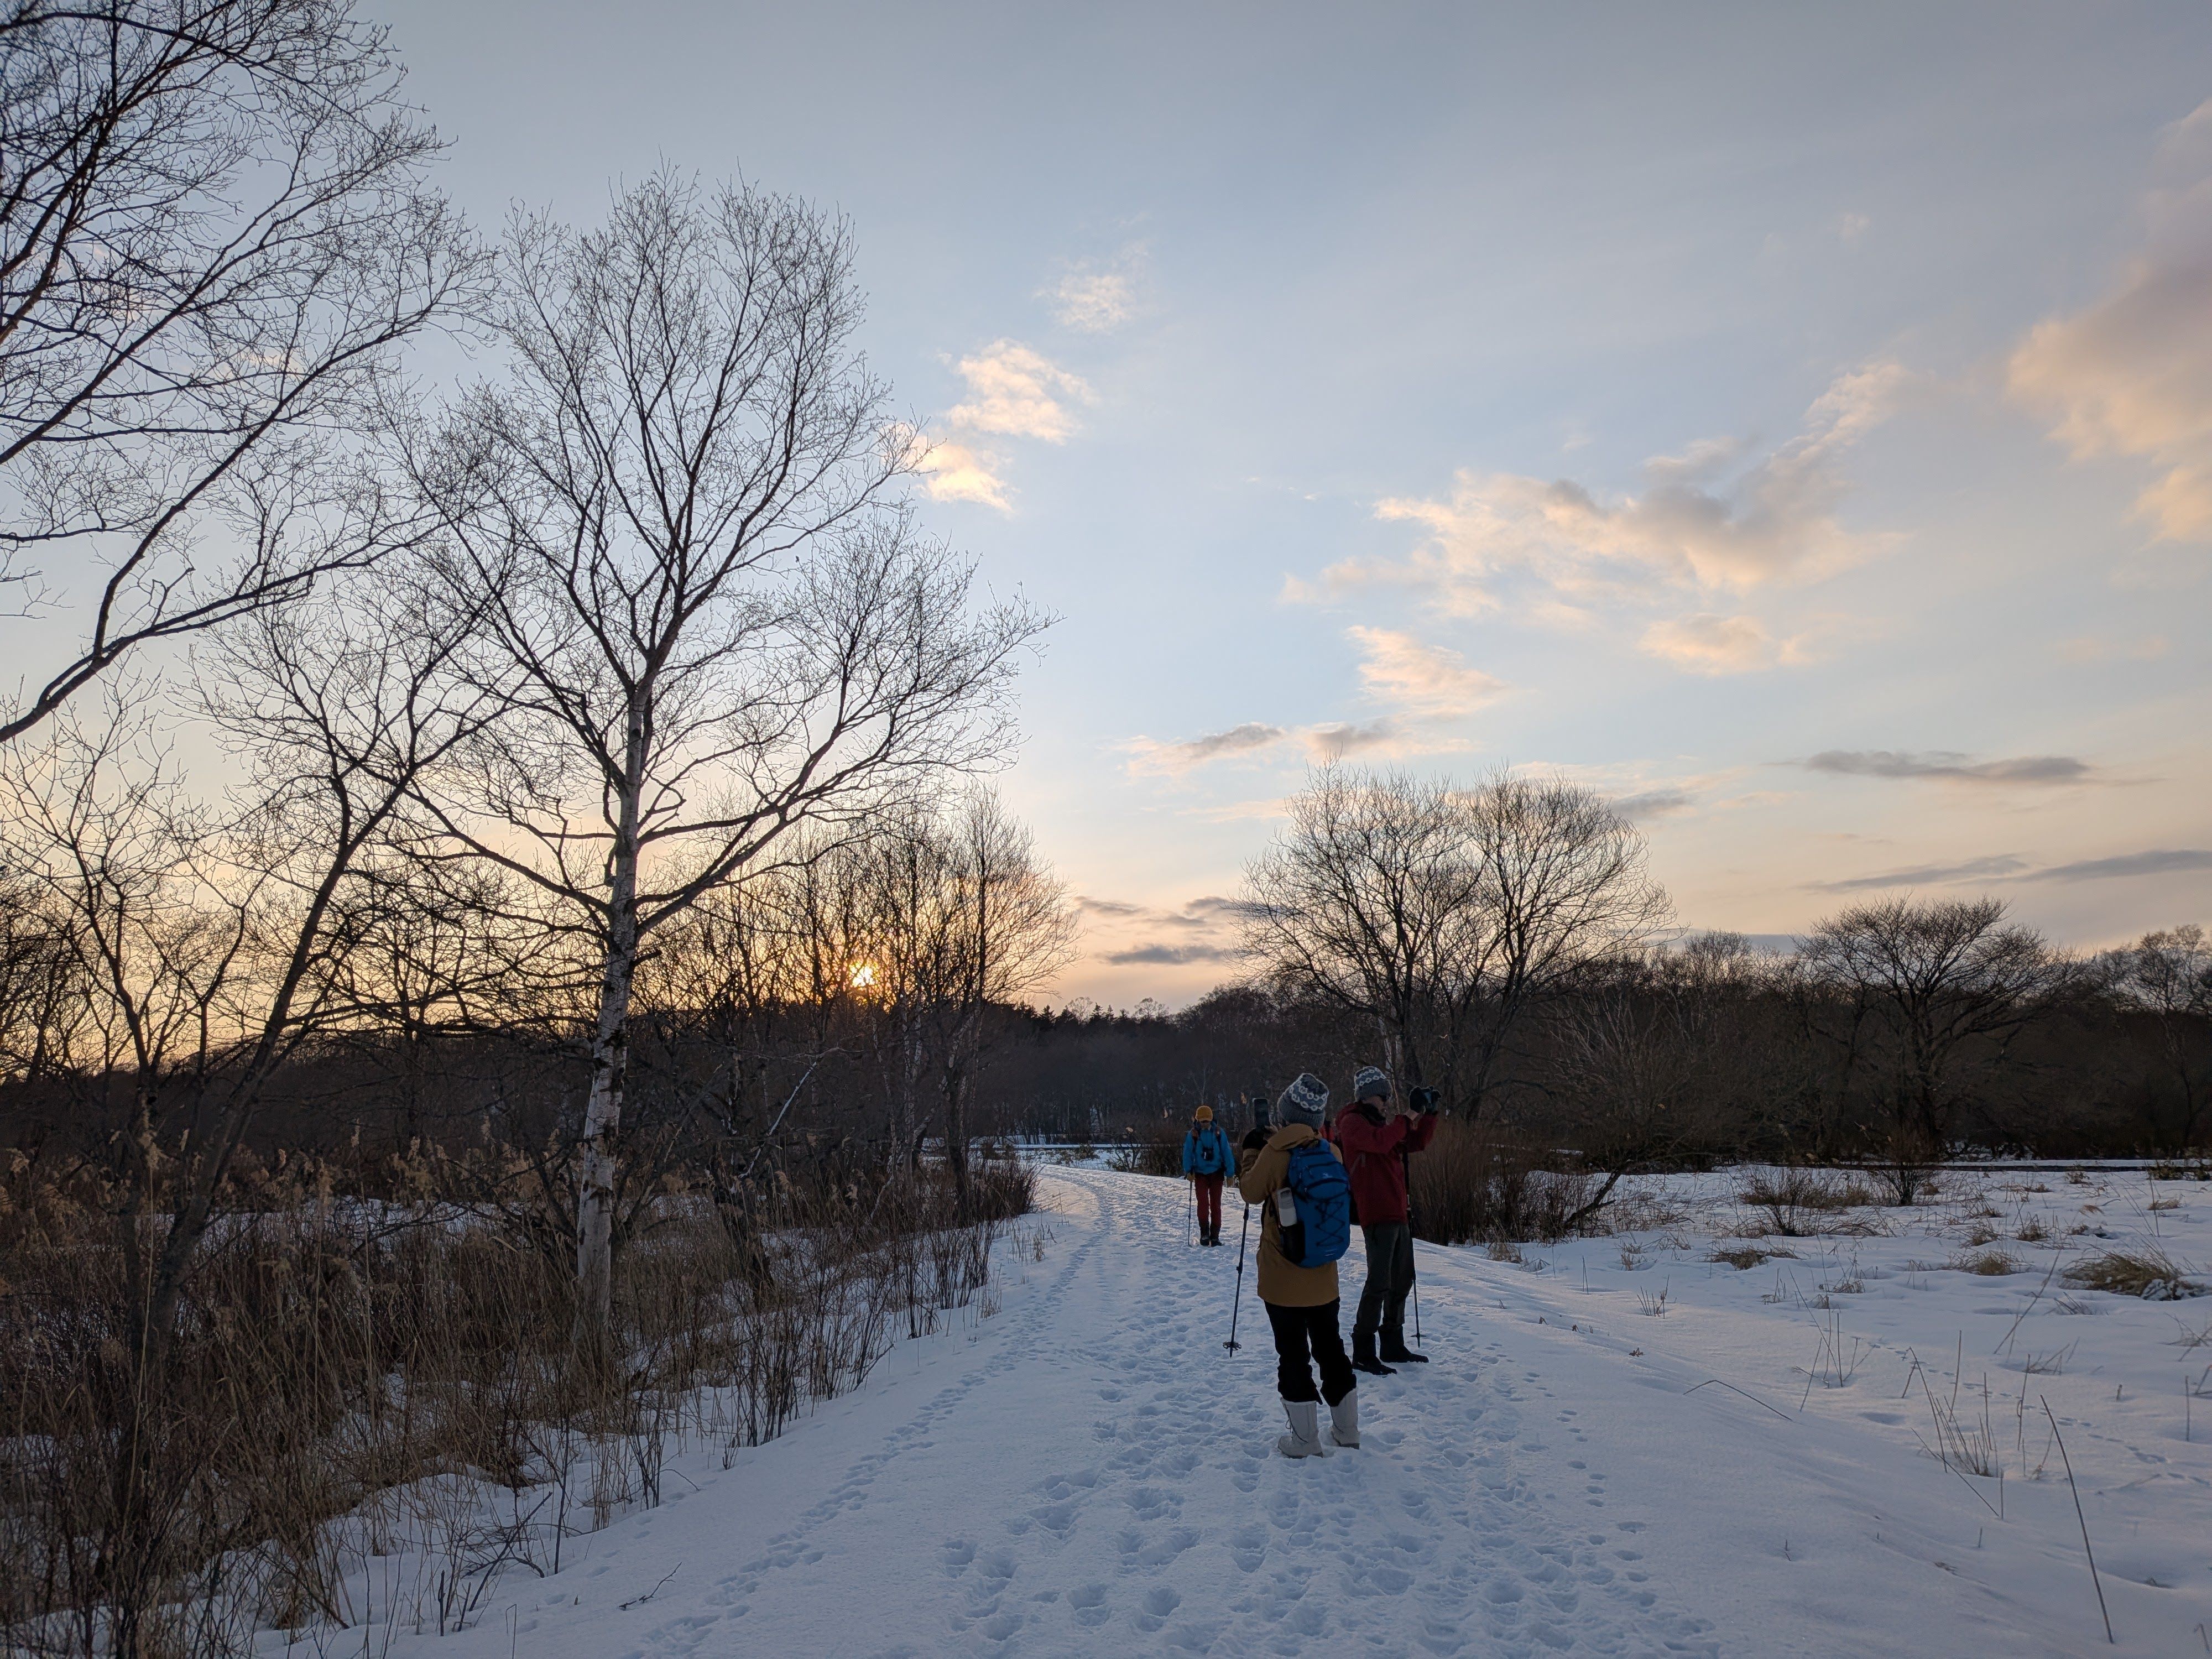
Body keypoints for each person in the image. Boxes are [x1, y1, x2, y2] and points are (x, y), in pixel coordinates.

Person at [1238, 1072, 1359, 1457]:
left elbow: (1250, 1192)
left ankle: (1305, 1440)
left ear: (1284, 1113)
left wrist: (1252, 1154)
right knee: (1331, 1349)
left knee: (1293, 1353)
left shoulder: (1276, 1151)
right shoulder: (1330, 1151)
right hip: (1324, 1275)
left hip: (1284, 1276)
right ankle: (1347, 1430)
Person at [1332, 1065, 1439, 1374]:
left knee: (1402, 1279)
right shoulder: (1352, 1123)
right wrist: (1408, 1116)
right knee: (1379, 1282)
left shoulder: (1380, 1124)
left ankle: (1392, 1342)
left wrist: (1428, 1114)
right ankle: (1363, 1349)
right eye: (1383, 1097)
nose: (1386, 1103)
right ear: (1367, 1096)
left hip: (1397, 1211)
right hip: (1377, 1212)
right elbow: (1380, 1142)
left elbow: (1415, 1143)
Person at [1181, 1103, 1237, 1245]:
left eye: (1207, 1121)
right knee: (1203, 1204)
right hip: (1200, 1174)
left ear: (1211, 1119)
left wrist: (1230, 1173)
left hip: (1217, 1173)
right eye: (1202, 1121)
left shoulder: (1219, 1133)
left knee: (1216, 1205)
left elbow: (1226, 1153)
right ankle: (1204, 1234)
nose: (1205, 1124)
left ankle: (1215, 1236)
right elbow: (1188, 1153)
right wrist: (1188, 1171)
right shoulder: (1193, 1135)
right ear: (1198, 1120)